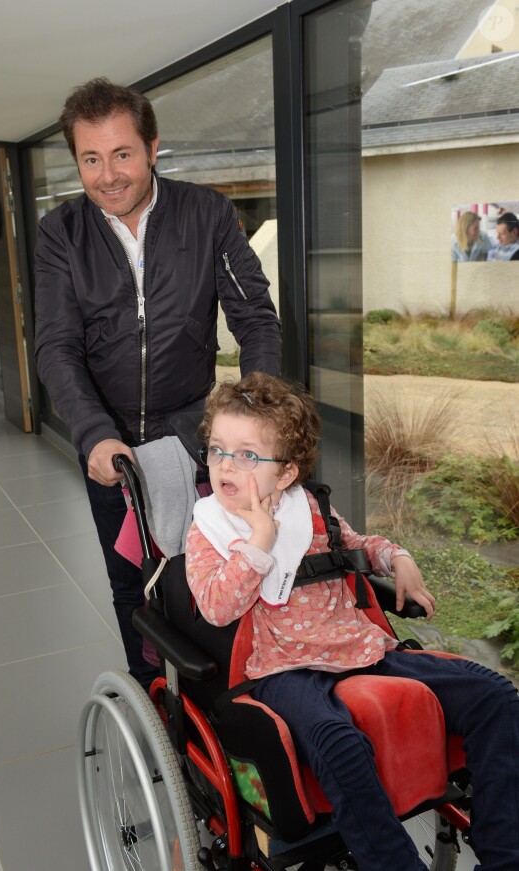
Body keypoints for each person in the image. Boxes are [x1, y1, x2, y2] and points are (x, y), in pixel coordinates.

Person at [185, 372, 519, 871]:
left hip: (361, 647)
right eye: (217, 450)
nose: (226, 466)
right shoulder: (209, 529)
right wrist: (258, 539)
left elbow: (358, 545)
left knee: (497, 697)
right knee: (340, 744)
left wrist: (397, 557)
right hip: (283, 669)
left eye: (248, 455)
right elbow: (216, 606)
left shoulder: (311, 509)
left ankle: (504, 858)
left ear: (286, 474)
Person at [33, 78, 281, 688]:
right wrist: (92, 434)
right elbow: (56, 345)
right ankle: (151, 704)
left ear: (152, 148)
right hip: (108, 444)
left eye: (122, 154)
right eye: (91, 158)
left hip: (192, 438)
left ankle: (218, 697)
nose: (107, 174)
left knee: (212, 569)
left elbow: (254, 317)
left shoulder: (207, 213)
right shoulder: (60, 232)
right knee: (131, 585)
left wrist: (256, 420)